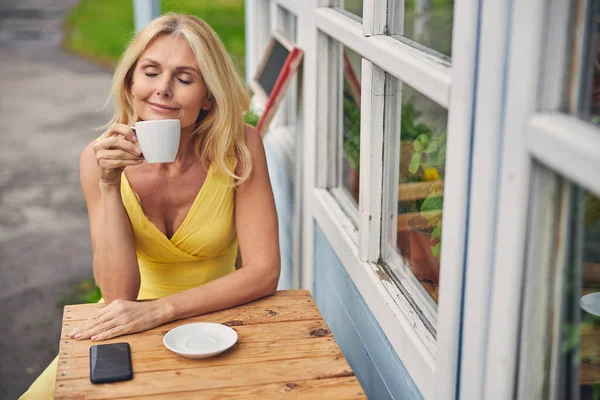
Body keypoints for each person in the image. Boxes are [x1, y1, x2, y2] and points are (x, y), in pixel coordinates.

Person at [20, 13, 280, 399]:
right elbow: (117, 294)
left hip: (223, 321)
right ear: (130, 82)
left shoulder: (240, 148)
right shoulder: (98, 159)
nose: (163, 89)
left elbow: (263, 272)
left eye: (184, 78)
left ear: (208, 95)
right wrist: (110, 184)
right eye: (151, 72)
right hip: (130, 320)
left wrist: (161, 310)